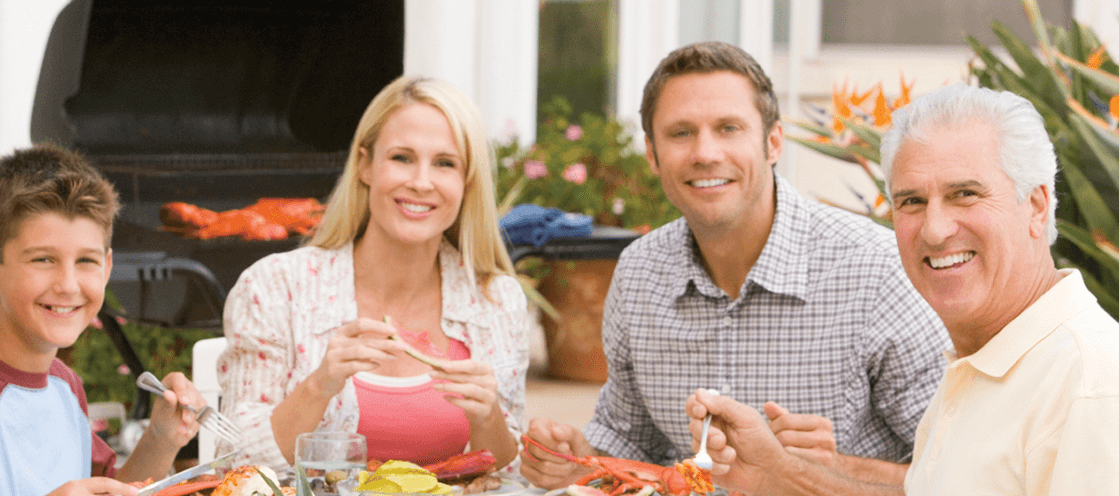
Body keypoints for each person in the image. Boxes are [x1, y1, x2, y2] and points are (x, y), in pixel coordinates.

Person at [520, 41, 949, 489]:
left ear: (773, 142)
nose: (705, 152)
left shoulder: (876, 271)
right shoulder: (639, 273)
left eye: (728, 128)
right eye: (681, 133)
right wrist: (581, 459)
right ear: (652, 154)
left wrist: (813, 470)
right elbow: (631, 444)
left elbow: (955, 472)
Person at [687, 84, 1119, 495]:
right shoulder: (982, 364)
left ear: (1037, 207)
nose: (934, 230)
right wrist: (774, 477)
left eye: (965, 194)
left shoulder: (1092, 386)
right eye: (911, 201)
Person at [218, 75, 534, 471]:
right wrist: (319, 385)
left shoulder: (497, 300)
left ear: (467, 182)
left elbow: (506, 476)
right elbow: (231, 462)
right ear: (365, 165)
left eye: (444, 164)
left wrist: (489, 420)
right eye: (401, 158)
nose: (421, 182)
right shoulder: (274, 287)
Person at [0, 144, 206, 496]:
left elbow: (111, 491)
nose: (68, 286)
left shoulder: (65, 386)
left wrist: (162, 436)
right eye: (42, 260)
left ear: (107, 268)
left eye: (86, 261)